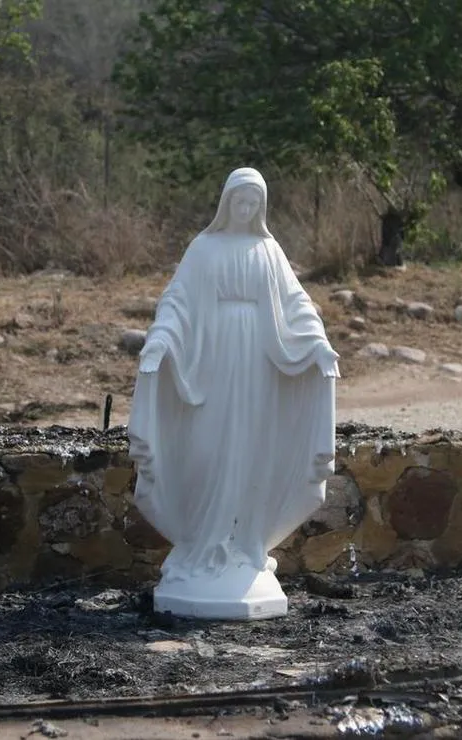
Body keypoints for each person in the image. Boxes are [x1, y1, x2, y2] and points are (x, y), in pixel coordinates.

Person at [128, 167, 339, 588]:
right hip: (213, 360)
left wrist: (318, 344)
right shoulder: (203, 248)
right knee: (208, 445)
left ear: (261, 207)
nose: (245, 209)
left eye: (253, 203)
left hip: (258, 360)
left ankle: (247, 544)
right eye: (240, 201)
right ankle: (202, 541)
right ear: (227, 202)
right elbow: (178, 301)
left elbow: (296, 303)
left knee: (253, 446)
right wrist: (160, 340)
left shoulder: (268, 250)